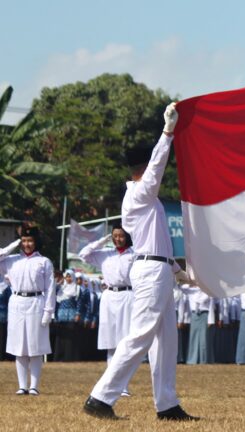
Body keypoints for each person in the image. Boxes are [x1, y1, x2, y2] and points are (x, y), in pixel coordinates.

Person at [84, 103, 197, 421]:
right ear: (144, 167)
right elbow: (158, 169)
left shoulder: (147, 199)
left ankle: (167, 404)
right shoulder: (139, 194)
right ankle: (100, 397)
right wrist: (167, 133)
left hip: (158, 267)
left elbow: (157, 245)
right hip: (149, 269)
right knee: (141, 335)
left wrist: (179, 272)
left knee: (166, 340)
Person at [79, 224, 135, 396]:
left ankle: (123, 385)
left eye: (121, 236)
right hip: (109, 297)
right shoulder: (105, 255)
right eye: (114, 236)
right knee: (110, 342)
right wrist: (101, 241)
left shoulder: (134, 254)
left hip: (128, 296)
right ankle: (112, 385)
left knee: (124, 342)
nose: (117, 239)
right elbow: (83, 254)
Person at [0, 227, 56, 396]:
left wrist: (48, 311)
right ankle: (22, 385)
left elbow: (51, 288)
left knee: (35, 346)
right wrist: (14, 243)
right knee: (19, 346)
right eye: (24, 241)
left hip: (36, 302)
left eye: (30, 240)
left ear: (36, 242)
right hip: (17, 302)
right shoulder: (11, 260)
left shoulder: (44, 262)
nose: (27, 244)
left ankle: (34, 386)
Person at [53, 269, 85, 361]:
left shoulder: (77, 288)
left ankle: (70, 357)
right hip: (61, 315)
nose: (68, 278)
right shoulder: (60, 288)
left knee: (71, 337)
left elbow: (79, 303)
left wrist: (78, 314)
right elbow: (55, 300)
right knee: (61, 337)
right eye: (66, 276)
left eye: (70, 276)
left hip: (72, 315)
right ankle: (60, 358)